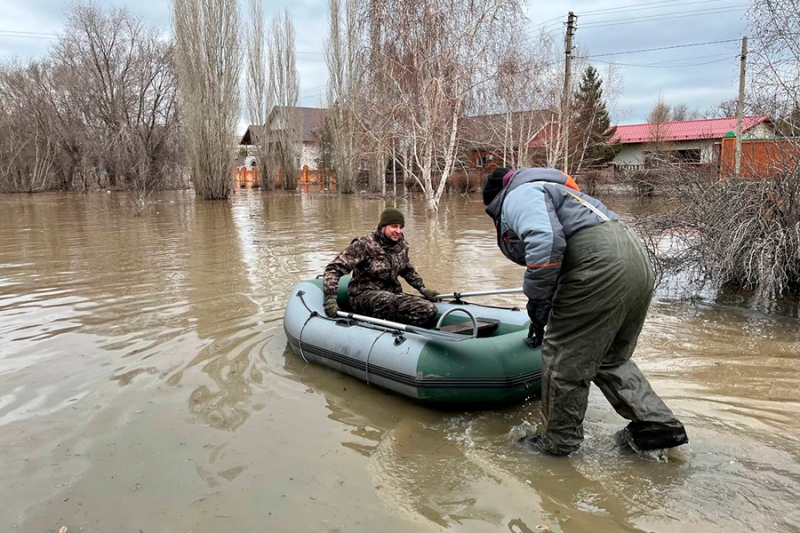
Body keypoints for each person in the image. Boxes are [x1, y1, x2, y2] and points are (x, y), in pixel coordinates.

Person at [482, 167, 688, 455]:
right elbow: (563, 253)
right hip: (635, 259)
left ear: (496, 198)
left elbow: (546, 241)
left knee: (562, 359)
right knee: (609, 357)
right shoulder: (566, 194)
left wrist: (538, 302)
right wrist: (547, 308)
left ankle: (558, 443)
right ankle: (658, 426)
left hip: (598, 262)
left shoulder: (518, 193)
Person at [322, 207, 440, 328]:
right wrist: (330, 298)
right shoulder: (364, 244)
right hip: (363, 296)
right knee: (388, 300)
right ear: (383, 226)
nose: (398, 231)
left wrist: (422, 288)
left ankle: (403, 334)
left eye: (400, 227)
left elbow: (407, 270)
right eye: (394, 226)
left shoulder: (401, 246)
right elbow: (333, 269)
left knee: (429, 309)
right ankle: (380, 329)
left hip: (392, 295)